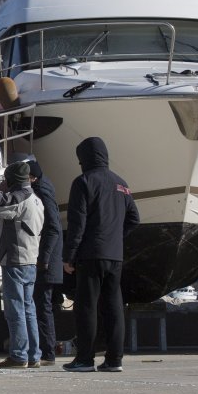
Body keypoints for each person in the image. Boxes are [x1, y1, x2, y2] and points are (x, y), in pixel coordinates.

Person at [62, 137, 139, 373]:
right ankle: (115, 360)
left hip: (90, 255)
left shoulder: (84, 181)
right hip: (115, 255)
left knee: (86, 307)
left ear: (84, 158)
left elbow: (77, 224)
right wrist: (115, 237)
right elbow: (135, 219)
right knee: (114, 307)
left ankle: (85, 359)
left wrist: (69, 256)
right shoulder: (121, 183)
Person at [0, 161, 44, 369]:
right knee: (28, 308)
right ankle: (34, 354)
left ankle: (19, 355)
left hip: (15, 260)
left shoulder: (19, 198)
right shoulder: (37, 199)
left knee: (15, 308)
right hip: (30, 260)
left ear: (11, 179)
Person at [28, 159, 63, 367]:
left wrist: (44, 258)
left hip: (46, 260)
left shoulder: (41, 191)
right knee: (43, 305)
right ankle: (45, 350)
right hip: (48, 259)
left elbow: (53, 226)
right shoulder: (44, 187)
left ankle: (47, 352)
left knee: (42, 306)